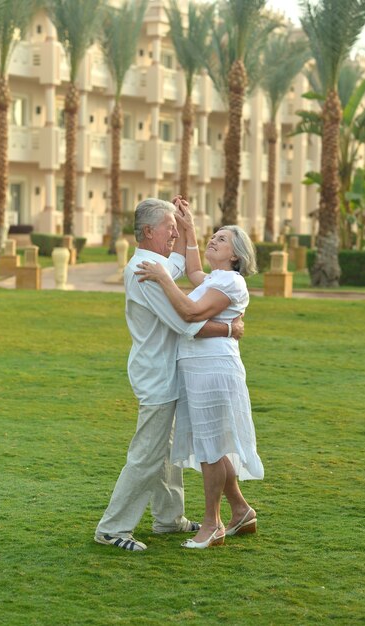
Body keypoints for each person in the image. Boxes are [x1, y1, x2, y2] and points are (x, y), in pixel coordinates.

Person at [94, 198, 244, 552]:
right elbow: (185, 321)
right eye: (168, 227)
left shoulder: (157, 263)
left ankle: (169, 518)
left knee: (166, 451)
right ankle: (113, 527)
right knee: (148, 453)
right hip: (156, 374)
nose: (173, 232)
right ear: (148, 231)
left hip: (168, 372)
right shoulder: (146, 271)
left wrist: (187, 225)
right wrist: (229, 329)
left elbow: (180, 264)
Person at [135, 215, 264, 550]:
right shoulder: (215, 278)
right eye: (213, 236)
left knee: (210, 449)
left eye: (221, 239)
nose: (213, 241)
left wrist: (164, 278)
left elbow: (191, 313)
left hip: (213, 368)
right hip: (197, 368)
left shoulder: (232, 283)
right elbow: (193, 274)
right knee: (211, 445)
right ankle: (240, 510)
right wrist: (189, 228)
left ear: (235, 255)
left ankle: (213, 525)